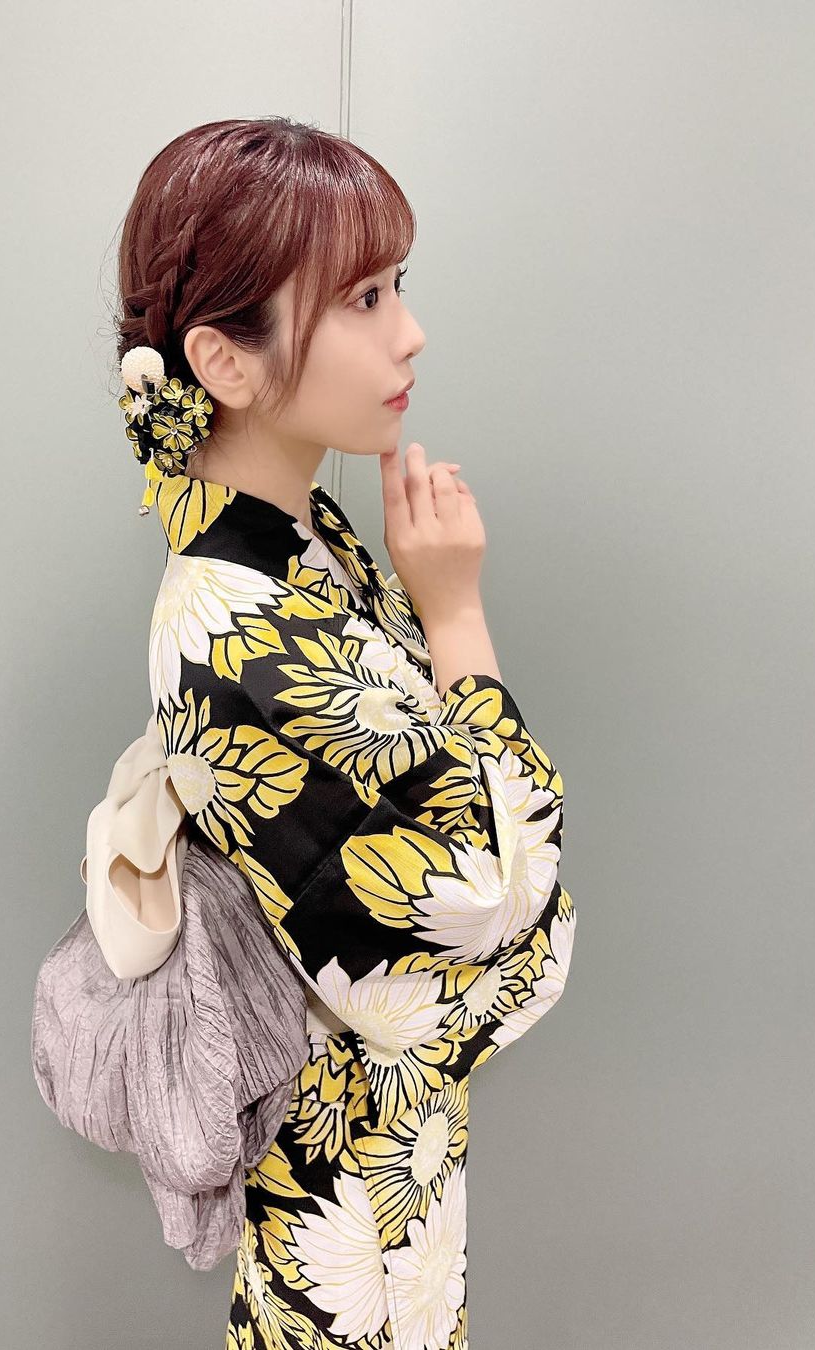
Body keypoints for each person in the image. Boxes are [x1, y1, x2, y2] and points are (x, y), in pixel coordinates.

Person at [112, 115, 576, 1350]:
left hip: (390, 1170)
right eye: (363, 299)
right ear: (225, 361)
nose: (408, 332)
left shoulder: (294, 533)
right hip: (344, 1213)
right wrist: (456, 614)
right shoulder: (238, 633)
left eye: (397, 285)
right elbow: (492, 910)